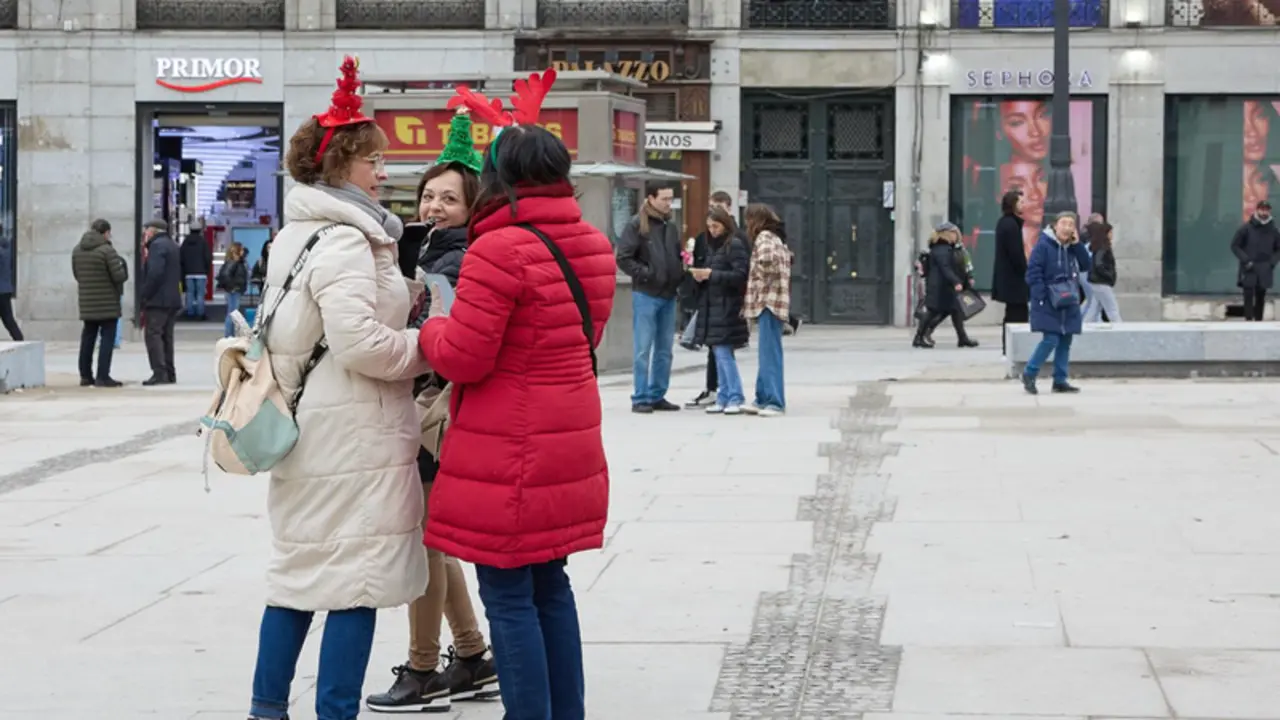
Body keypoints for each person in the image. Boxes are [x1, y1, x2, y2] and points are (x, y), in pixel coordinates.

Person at [418, 69, 615, 720]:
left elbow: (465, 357)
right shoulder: (593, 244)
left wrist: (432, 326)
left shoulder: (498, 249)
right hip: (571, 435)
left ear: (498, 179)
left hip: (511, 444)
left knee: (505, 592)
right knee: (551, 584)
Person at [244, 56, 431, 720]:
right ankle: (335, 712)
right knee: (358, 582)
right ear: (340, 164)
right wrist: (427, 344)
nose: (384, 171)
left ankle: (267, 709)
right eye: (373, 160)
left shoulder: (296, 233)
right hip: (352, 436)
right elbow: (360, 345)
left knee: (298, 577)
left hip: (310, 426)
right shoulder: (349, 240)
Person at [366, 106, 499, 715]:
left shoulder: (462, 258)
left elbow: (442, 341)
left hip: (436, 411)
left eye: (448, 198)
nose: (434, 206)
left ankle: (423, 670)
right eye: (428, 195)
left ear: (473, 206)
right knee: (433, 541)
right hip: (425, 407)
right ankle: (471, 655)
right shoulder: (425, 248)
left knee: (426, 544)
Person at [617, 181, 683, 413]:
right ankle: (640, 396)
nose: (668, 203)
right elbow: (623, 257)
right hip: (646, 293)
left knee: (665, 349)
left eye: (670, 199)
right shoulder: (637, 224)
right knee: (643, 349)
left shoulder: (670, 226)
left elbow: (675, 254)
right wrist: (646, 274)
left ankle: (657, 394)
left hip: (668, 293)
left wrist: (679, 272)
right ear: (651, 199)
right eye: (664, 199)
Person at [686, 190, 745, 408]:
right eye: (710, 227)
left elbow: (740, 275)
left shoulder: (734, 244)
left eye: (716, 227)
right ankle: (723, 395)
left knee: (724, 353)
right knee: (718, 353)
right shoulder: (711, 246)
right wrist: (700, 277)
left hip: (727, 305)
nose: (712, 231)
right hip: (712, 304)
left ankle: (734, 396)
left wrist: (712, 274)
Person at [1023, 211, 1091, 395]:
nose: (1067, 228)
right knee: (1051, 339)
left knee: (1065, 339)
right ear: (1055, 226)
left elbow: (1086, 265)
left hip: (1068, 299)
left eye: (1071, 224)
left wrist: (1077, 245)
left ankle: (1060, 380)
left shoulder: (1073, 248)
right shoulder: (1044, 245)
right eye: (1064, 223)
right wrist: (1041, 296)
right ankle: (1030, 372)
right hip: (1048, 300)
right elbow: (1033, 272)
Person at [742, 203, 791, 416]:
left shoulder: (763, 237)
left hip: (768, 302)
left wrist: (759, 278)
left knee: (769, 353)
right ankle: (762, 398)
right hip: (774, 301)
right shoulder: (775, 237)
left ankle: (774, 401)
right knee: (766, 352)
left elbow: (768, 261)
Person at [71, 218, 127, 386]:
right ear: (106, 233)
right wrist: (123, 268)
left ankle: (85, 375)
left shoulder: (77, 250)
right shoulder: (107, 251)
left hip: (87, 302)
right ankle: (103, 376)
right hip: (107, 303)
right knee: (107, 340)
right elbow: (118, 276)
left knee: (88, 338)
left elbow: (77, 274)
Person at [914, 222, 978, 349]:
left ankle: (962, 338)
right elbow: (946, 268)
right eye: (954, 233)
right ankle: (919, 337)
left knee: (955, 310)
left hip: (943, 286)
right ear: (947, 234)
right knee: (932, 312)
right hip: (940, 286)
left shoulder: (943, 248)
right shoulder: (942, 250)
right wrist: (956, 281)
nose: (956, 236)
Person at [138, 218, 181, 385]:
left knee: (153, 335)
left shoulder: (157, 246)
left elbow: (155, 273)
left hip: (158, 300)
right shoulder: (172, 245)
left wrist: (145, 294)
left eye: (146, 230)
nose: (145, 233)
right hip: (172, 299)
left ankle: (159, 372)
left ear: (153, 231)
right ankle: (170, 372)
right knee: (167, 337)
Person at [991, 189, 1028, 355]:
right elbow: (1016, 254)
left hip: (1009, 279)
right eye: (1020, 202)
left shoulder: (1006, 223)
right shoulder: (1010, 225)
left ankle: (1011, 348)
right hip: (1013, 280)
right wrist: (1026, 271)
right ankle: (1013, 349)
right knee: (1017, 315)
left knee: (1013, 314)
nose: (1023, 205)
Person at [1232, 199, 1280, 321]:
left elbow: (1278, 249)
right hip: (1249, 267)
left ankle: (1259, 321)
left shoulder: (1273, 230)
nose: (1264, 212)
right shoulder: (1246, 228)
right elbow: (1235, 246)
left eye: (1266, 210)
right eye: (1262, 209)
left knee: (1261, 296)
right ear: (1257, 210)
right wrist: (1245, 260)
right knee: (1248, 295)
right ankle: (1248, 321)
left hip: (1264, 267)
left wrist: (1272, 263)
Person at [1083, 221, 1121, 323]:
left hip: (1097, 281)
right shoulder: (1103, 248)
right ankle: (1119, 327)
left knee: (1094, 309)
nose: (1112, 235)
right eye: (1110, 232)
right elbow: (1099, 264)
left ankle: (1084, 326)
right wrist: (1109, 275)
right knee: (1112, 308)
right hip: (1101, 281)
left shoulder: (1099, 247)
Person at [179, 222, 212, 319]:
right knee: (200, 294)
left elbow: (181, 257)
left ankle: (190, 312)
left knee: (189, 293)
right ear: (200, 230)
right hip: (201, 272)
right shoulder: (203, 242)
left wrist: (184, 270)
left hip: (188, 272)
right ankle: (200, 313)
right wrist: (207, 270)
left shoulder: (185, 242)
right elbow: (207, 257)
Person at [216, 241, 249, 338]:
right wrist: (232, 287)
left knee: (232, 313)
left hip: (234, 290)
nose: (243, 251)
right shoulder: (234, 262)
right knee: (232, 313)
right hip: (233, 291)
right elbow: (225, 275)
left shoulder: (236, 262)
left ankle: (230, 334)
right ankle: (229, 335)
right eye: (241, 249)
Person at [0, 222, 22, 341]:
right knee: (8, 320)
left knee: (8, 320)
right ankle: (19, 340)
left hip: (2, 289)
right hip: (5, 289)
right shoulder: (6, 246)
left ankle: (20, 340)